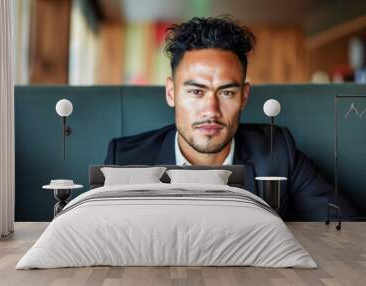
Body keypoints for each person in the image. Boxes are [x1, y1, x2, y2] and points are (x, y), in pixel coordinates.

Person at [104, 16, 355, 220]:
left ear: (244, 96)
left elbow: (346, 227)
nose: (211, 109)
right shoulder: (125, 159)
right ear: (172, 93)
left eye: (226, 92)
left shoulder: (278, 152)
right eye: (195, 91)